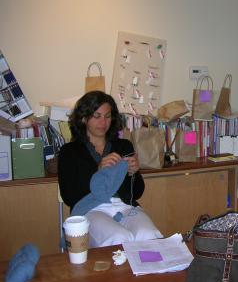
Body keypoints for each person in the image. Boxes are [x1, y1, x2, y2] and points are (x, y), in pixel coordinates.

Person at [58, 91, 162, 247]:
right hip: (91, 209)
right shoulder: (69, 151)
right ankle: (123, 271)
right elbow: (70, 197)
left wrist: (132, 174)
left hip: (125, 206)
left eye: (107, 116)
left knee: (149, 235)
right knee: (119, 238)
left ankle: (147, 270)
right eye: (97, 116)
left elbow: (138, 192)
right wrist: (97, 171)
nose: (103, 122)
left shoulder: (123, 145)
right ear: (84, 118)